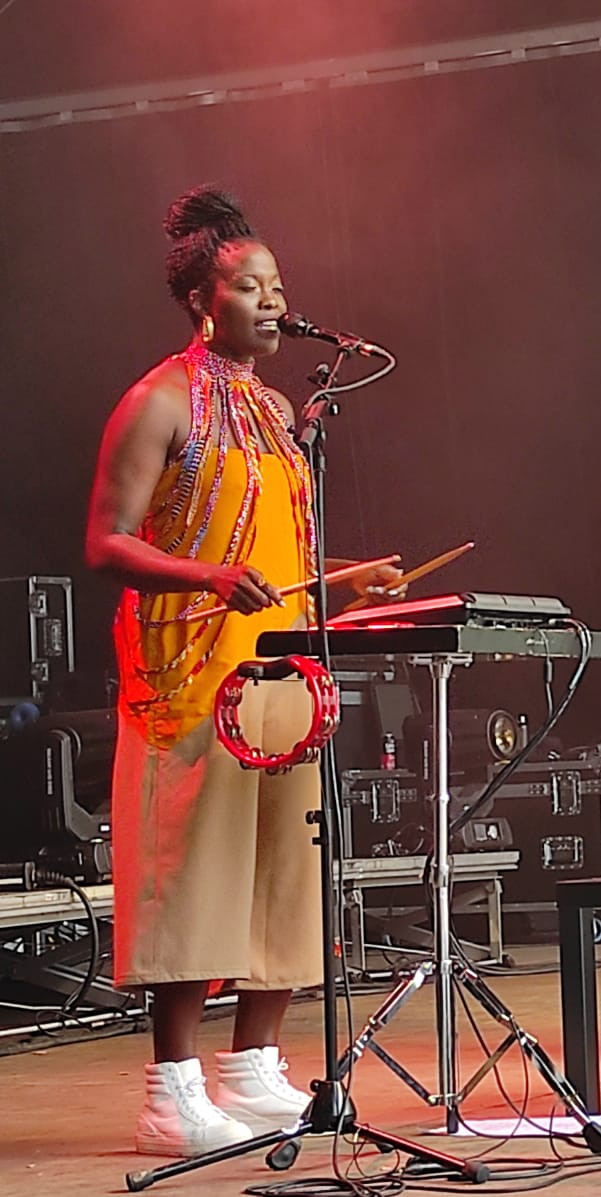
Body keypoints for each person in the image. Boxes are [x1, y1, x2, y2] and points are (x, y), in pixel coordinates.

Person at [84, 187, 402, 1157]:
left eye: (279, 286)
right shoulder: (158, 400)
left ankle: (253, 1064)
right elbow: (106, 540)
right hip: (191, 677)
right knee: (199, 878)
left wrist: (345, 579)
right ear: (201, 300)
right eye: (251, 286)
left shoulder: (274, 412)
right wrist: (208, 577)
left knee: (282, 874)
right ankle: (170, 1088)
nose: (274, 301)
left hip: (282, 674)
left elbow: (272, 558)